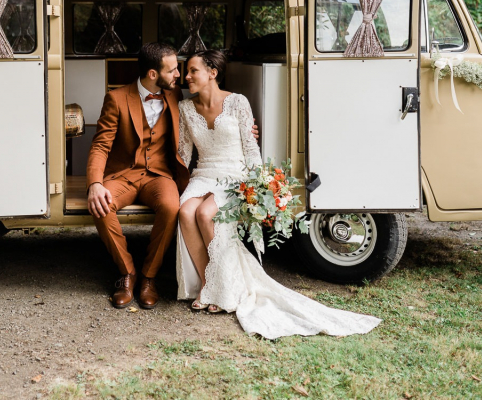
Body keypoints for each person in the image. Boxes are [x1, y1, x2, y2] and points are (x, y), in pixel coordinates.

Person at [176, 49, 381, 338]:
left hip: (234, 173)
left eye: (192, 71)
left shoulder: (237, 102)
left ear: (212, 72)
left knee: (206, 213)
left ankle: (222, 289)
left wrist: (259, 187)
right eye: (186, 71)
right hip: (203, 173)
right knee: (185, 211)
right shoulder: (185, 107)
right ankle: (207, 286)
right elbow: (184, 152)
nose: (186, 77)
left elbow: (250, 148)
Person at [86, 42, 190, 309]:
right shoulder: (117, 98)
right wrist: (95, 183)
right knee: (101, 206)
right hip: (123, 174)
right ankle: (127, 273)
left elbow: (208, 107)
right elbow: (100, 145)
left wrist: (243, 125)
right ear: (153, 74)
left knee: (171, 206)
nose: (178, 74)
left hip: (159, 175)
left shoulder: (175, 94)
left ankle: (149, 277)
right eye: (173, 69)